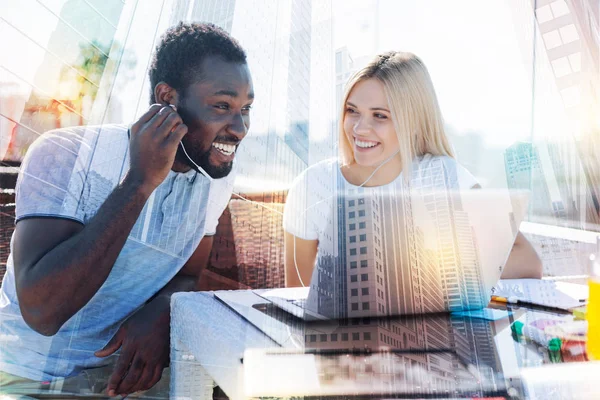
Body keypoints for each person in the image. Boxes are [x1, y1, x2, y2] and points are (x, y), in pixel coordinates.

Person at [0, 22, 254, 398]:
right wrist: (140, 181)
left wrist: (163, 310)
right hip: (25, 377)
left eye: (246, 108)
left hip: (128, 380)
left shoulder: (214, 180)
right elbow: (43, 312)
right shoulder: (66, 155)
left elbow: (187, 272)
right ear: (168, 98)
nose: (241, 127)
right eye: (222, 106)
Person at [283, 51, 542, 291]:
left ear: (413, 123)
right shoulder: (314, 185)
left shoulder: (441, 175)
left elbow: (527, 261)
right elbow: (294, 295)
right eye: (352, 111)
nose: (360, 128)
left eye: (380, 116)